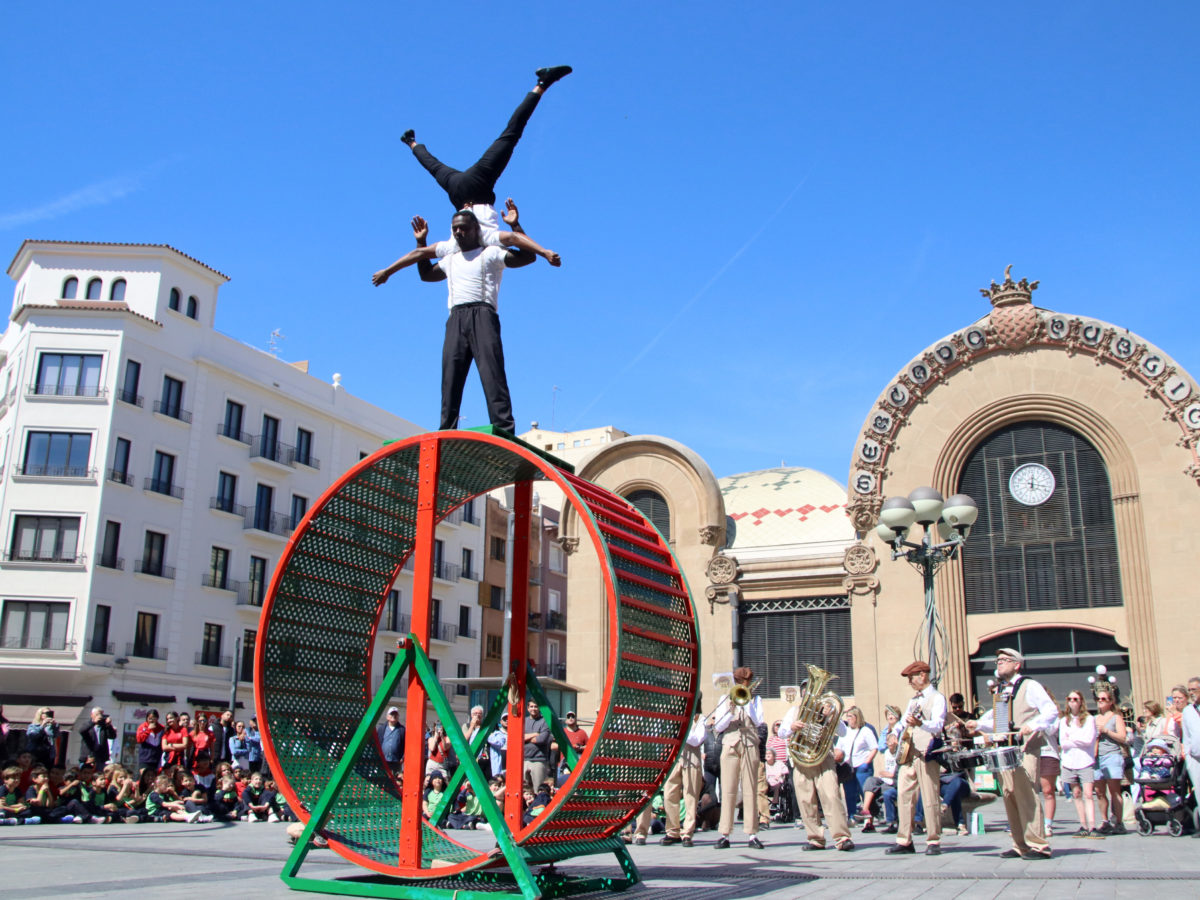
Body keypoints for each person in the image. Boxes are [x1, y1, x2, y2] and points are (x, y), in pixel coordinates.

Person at [372, 206, 560, 432]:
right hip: (456, 317)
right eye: (455, 229)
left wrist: (519, 229)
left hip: (483, 314)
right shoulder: (450, 259)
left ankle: (504, 428)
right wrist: (417, 245)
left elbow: (526, 256)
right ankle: (447, 430)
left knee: (492, 373)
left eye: (463, 228)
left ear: (476, 229)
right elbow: (425, 272)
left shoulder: (490, 253)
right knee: (450, 376)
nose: (458, 232)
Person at [400, 65, 572, 235]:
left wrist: (520, 230)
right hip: (459, 191)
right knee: (433, 166)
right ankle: (411, 141)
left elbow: (519, 245)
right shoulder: (466, 242)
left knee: (510, 135)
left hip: (476, 188)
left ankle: (542, 84)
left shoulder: (483, 240)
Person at [967, 647, 1057, 859]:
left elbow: (1051, 711)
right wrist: (978, 724)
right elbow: (999, 721)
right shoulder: (1001, 690)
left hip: (1025, 748)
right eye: (997, 660)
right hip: (1004, 748)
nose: (999, 662)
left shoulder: (1029, 685)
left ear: (1017, 664)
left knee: (1026, 794)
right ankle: (1020, 844)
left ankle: (1039, 845)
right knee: (1009, 794)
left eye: (1004, 659)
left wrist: (1032, 725)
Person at [780, 688, 854, 852]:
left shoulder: (828, 711)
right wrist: (792, 727)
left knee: (832, 796)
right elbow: (781, 732)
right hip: (802, 760)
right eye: (806, 692)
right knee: (806, 800)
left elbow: (843, 732)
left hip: (824, 759)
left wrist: (831, 716)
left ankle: (842, 837)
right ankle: (815, 838)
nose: (811, 695)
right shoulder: (794, 711)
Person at [887, 661, 946, 857]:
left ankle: (933, 839)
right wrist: (893, 733)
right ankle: (904, 840)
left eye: (912, 678)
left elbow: (938, 725)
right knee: (904, 795)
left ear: (923, 675)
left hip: (926, 751)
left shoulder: (937, 698)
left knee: (929, 796)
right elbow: (903, 722)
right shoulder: (914, 700)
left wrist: (921, 723)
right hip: (909, 752)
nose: (910, 682)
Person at [711, 667, 766, 850]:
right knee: (728, 789)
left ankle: (752, 834)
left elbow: (758, 722)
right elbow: (719, 726)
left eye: (744, 682)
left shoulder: (756, 700)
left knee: (751, 788)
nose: (741, 684)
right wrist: (731, 709)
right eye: (738, 681)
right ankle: (724, 834)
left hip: (749, 743)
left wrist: (746, 703)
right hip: (730, 744)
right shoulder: (724, 699)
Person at [661, 701, 706, 847]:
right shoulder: (673, 717)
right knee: (669, 794)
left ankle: (687, 832)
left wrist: (682, 727)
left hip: (692, 759)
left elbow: (696, 740)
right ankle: (672, 831)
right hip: (674, 758)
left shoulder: (701, 719)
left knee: (691, 796)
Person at [1058, 690, 1100, 837]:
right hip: (1069, 761)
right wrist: (1075, 739)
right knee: (1076, 794)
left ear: (1081, 701)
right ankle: (1083, 825)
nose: (1072, 701)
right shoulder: (1064, 721)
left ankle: (1092, 826)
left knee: (1088, 794)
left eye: (1075, 699)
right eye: (1070, 699)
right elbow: (1063, 743)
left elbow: (1088, 740)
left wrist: (1072, 738)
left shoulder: (1089, 719)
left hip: (1085, 761)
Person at [1093, 687, 1129, 834]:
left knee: (1114, 791)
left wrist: (1106, 731)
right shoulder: (1094, 719)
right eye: (1098, 699)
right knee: (1099, 792)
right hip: (1097, 757)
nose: (1100, 701)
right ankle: (1105, 821)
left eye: (1103, 699)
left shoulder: (1116, 717)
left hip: (1112, 755)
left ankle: (1119, 822)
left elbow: (1123, 737)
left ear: (1110, 702)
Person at [838, 706, 877, 821]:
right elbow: (839, 747)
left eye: (850, 716)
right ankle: (851, 816)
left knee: (864, 792)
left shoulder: (866, 731)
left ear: (856, 717)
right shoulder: (845, 731)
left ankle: (868, 817)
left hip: (862, 765)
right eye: (847, 716)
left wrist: (867, 762)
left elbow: (874, 748)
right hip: (848, 766)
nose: (848, 719)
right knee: (849, 793)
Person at [1182, 676, 1200, 839]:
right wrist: (1188, 754)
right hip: (1195, 757)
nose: (1191, 693)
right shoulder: (1188, 711)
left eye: (1194, 689)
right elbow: (1186, 736)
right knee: (1199, 791)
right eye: (1189, 690)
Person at [522, 699, 551, 789]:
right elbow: (519, 738)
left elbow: (542, 739)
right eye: (531, 706)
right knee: (524, 788)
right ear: (527, 708)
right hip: (524, 759)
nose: (533, 709)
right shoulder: (523, 721)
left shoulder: (544, 721)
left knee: (538, 788)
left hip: (539, 760)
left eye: (536, 706)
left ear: (539, 708)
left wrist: (526, 738)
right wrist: (535, 734)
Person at [135, 709, 164, 775]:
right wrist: (148, 730)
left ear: (157, 718)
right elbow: (139, 739)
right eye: (150, 718)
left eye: (153, 718)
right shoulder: (142, 727)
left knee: (155, 775)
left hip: (156, 757)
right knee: (144, 774)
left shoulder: (161, 728)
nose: (151, 720)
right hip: (145, 756)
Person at [377, 707, 405, 772]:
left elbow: (405, 745)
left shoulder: (402, 730)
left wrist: (403, 757)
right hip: (383, 761)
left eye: (395, 714)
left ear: (398, 717)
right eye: (392, 714)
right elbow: (377, 743)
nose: (394, 716)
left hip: (396, 761)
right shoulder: (381, 729)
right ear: (387, 717)